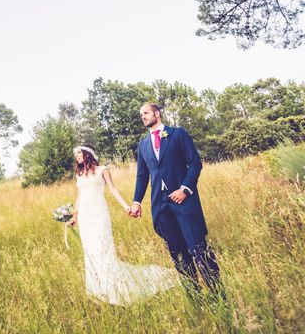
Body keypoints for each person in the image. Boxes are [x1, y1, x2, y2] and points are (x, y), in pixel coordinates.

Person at [129, 103, 223, 298]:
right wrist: (137, 201)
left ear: (157, 113)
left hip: (184, 202)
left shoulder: (178, 134)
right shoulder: (143, 145)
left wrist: (185, 189)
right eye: (141, 115)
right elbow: (142, 176)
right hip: (161, 208)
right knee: (178, 255)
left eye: (145, 113)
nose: (143, 117)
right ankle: (195, 297)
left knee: (198, 249)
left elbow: (195, 163)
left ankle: (218, 295)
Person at [68, 144, 177, 305]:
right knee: (90, 251)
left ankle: (113, 288)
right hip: (85, 216)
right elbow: (80, 195)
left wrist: (126, 206)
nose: (77, 156)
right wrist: (75, 216)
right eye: (75, 154)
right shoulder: (79, 174)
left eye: (79, 153)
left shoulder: (102, 170)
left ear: (88, 153)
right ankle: (98, 290)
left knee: (103, 248)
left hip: (99, 214)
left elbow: (112, 189)